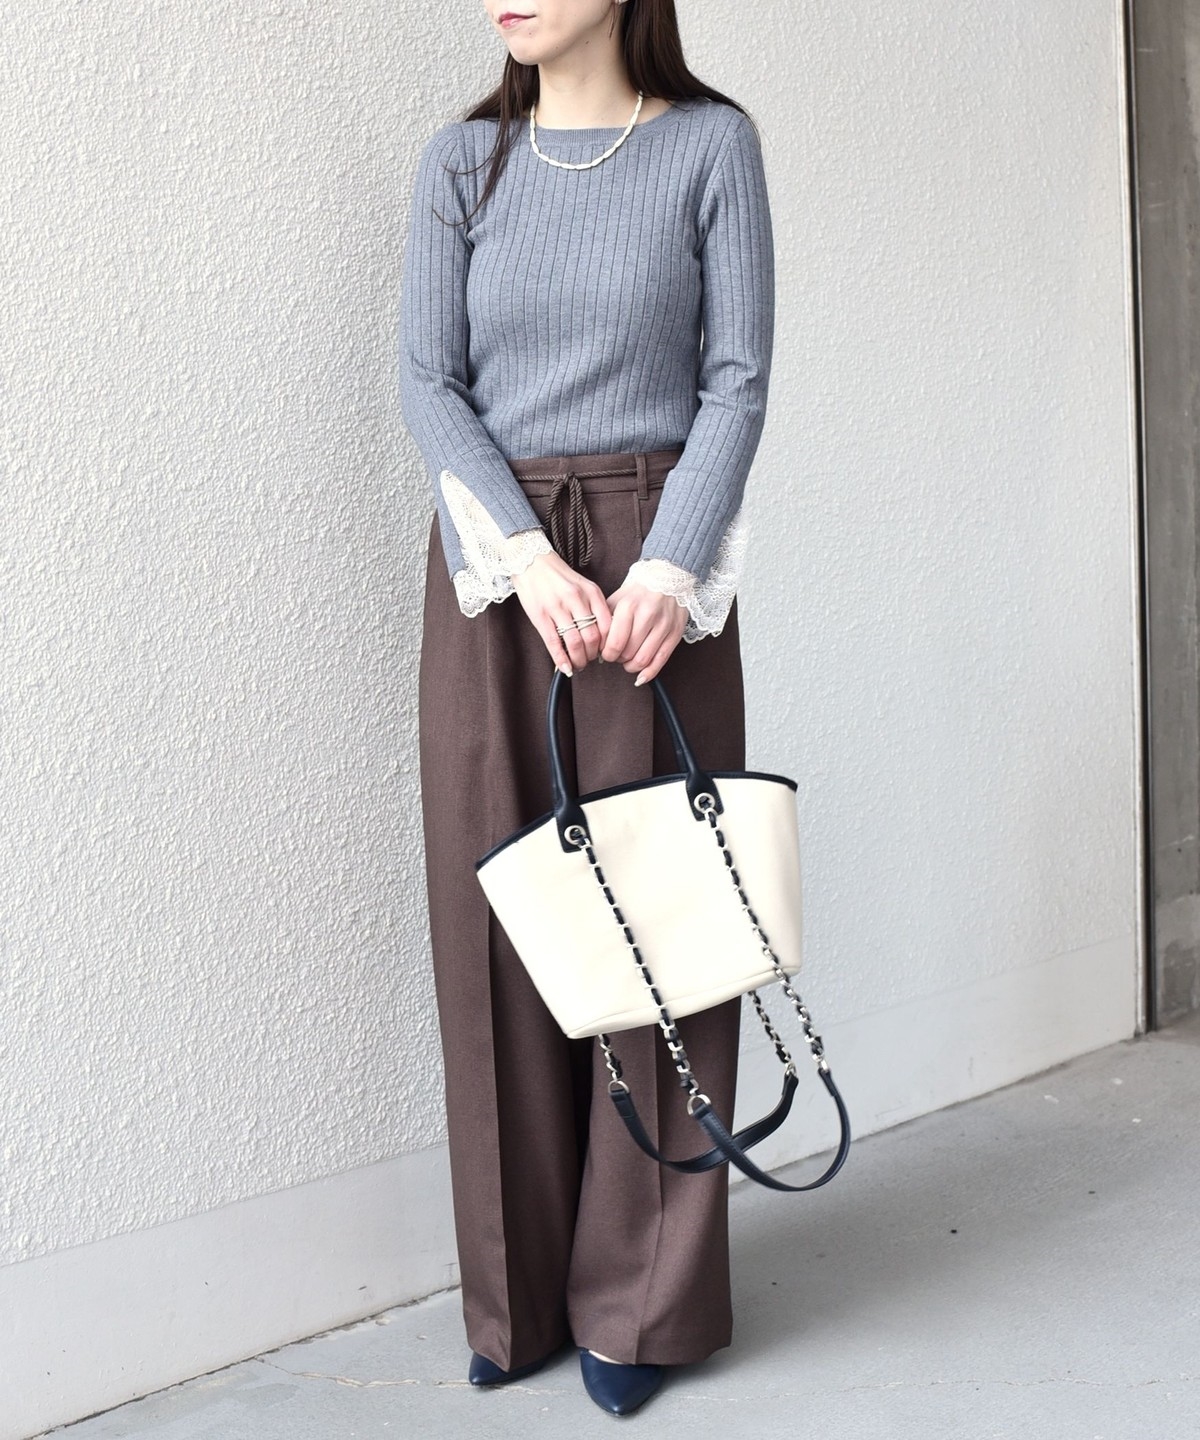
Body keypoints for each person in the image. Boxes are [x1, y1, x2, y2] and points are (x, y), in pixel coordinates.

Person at [397, 0, 774, 1416]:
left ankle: (642, 1304)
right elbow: (429, 382)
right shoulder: (461, 163)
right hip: (501, 575)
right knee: (498, 919)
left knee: (658, 929)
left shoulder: (711, 147)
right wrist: (525, 555)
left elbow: (736, 379)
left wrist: (668, 567)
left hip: (657, 561)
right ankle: (516, 1297)